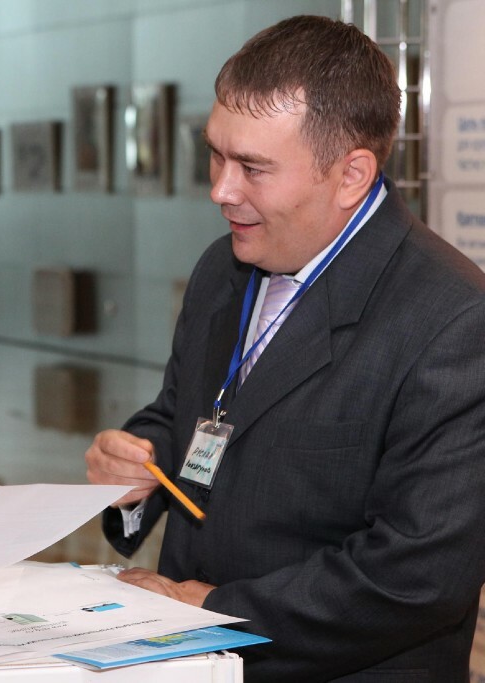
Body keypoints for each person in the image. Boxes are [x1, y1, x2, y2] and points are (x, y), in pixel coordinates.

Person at [85, 15, 485, 682]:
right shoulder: (223, 267)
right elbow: (188, 414)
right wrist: (132, 472)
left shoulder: (454, 321)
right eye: (217, 155)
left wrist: (215, 610)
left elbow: (417, 574)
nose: (221, 189)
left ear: (351, 174)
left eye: (253, 167)